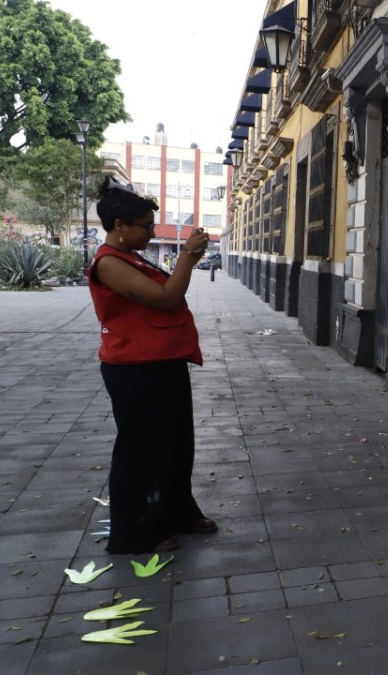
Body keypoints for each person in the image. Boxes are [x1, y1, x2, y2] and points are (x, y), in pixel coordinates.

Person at [87, 177, 217, 554]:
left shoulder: (130, 256)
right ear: (119, 227)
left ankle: (176, 513)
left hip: (161, 361)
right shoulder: (109, 262)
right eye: (145, 225)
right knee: (140, 450)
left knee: (175, 444)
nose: (151, 231)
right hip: (134, 368)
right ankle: (135, 532)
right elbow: (167, 297)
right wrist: (189, 256)